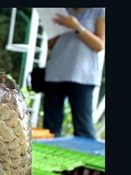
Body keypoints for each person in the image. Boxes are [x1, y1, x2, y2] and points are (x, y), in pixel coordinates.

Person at [43, 8, 105, 139]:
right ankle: (49, 157)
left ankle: (88, 159)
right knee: (50, 128)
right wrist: (58, 28)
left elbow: (99, 45)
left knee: (83, 127)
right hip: (55, 73)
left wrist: (77, 27)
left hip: (83, 76)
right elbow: (50, 44)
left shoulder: (99, 11)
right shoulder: (63, 10)